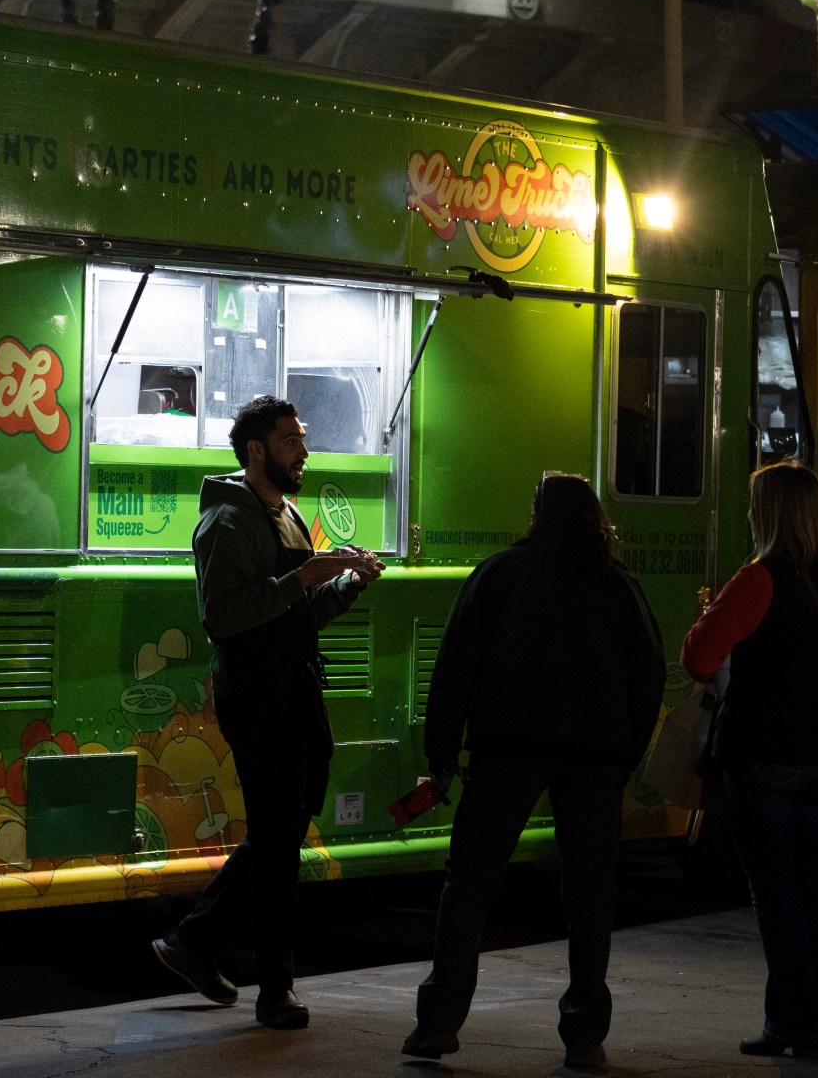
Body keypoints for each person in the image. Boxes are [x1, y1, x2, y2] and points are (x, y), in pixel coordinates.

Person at [401, 475, 663, 1074]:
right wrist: (624, 754)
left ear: (536, 514)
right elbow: (647, 676)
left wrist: (440, 755)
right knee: (590, 896)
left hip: (505, 752)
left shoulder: (500, 574)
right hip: (595, 760)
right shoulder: (619, 586)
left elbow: (453, 668)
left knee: (469, 884)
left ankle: (439, 1022)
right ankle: (584, 1036)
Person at [150, 395, 382, 1028]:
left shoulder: (287, 516)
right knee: (278, 843)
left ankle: (195, 942)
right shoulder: (226, 522)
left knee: (281, 834)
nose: (303, 449)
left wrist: (345, 585)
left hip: (295, 691)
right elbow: (224, 617)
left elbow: (296, 616)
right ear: (256, 451)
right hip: (256, 697)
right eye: (290, 440)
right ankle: (273, 989)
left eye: (301, 438)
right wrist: (304, 579)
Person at [680, 463, 818, 1059]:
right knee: (811, 888)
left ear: (770, 513)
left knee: (776, 892)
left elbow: (699, 655)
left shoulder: (759, 578)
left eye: (757, 504)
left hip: (767, 754)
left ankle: (792, 1024)